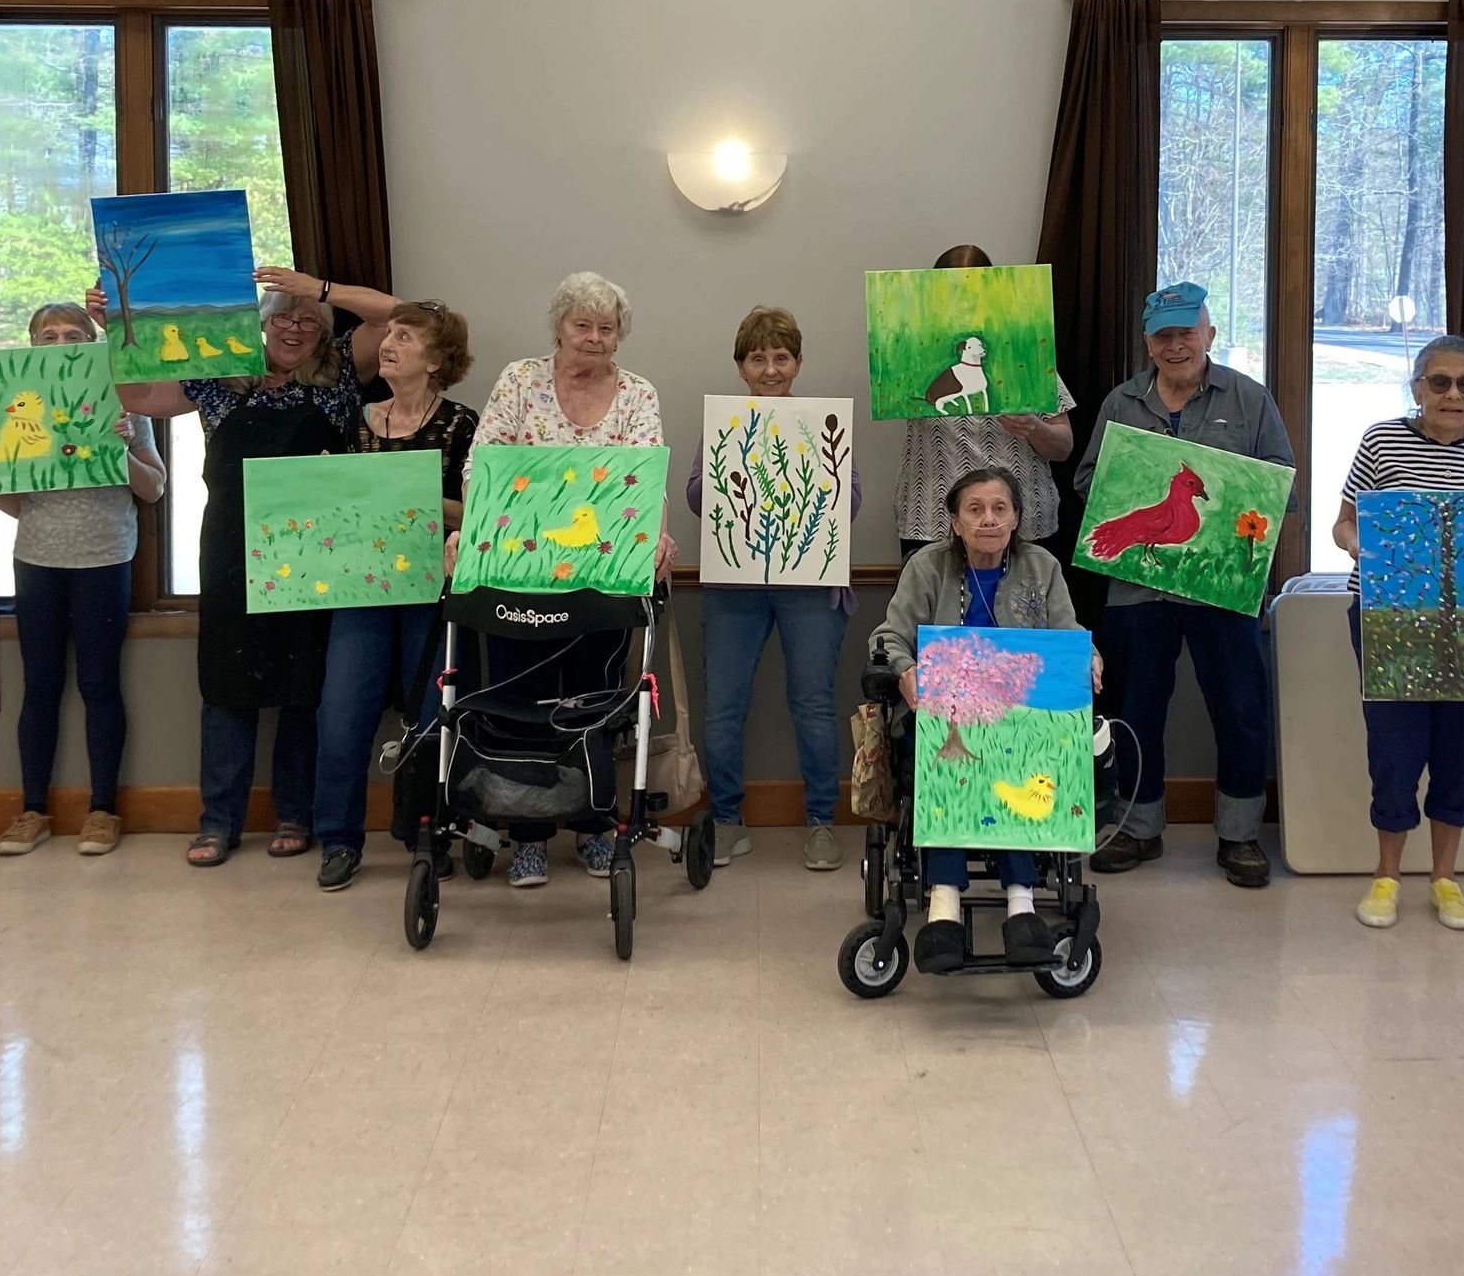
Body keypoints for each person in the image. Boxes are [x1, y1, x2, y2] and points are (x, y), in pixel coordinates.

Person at [104, 265, 402, 868]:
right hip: (230, 549)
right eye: (282, 316)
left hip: (316, 550)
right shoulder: (218, 376)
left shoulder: (343, 371)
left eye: (309, 320)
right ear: (258, 325)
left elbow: (400, 316)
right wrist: (116, 319)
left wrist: (315, 290)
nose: (295, 327)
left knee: (304, 687)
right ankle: (218, 821)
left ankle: (296, 814)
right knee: (226, 686)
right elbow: (136, 396)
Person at [1077, 282, 1297, 889]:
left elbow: (1282, 485)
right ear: (1148, 342)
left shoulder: (1249, 400)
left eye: (1186, 333)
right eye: (1164, 335)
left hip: (1223, 590)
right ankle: (1138, 827)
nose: (1176, 346)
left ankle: (1240, 834)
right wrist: (1127, 481)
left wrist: (1233, 502)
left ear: (1210, 335)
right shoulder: (1121, 403)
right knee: (1134, 708)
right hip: (1136, 590)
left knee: (1240, 707)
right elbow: (1088, 481)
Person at [471, 271, 675, 890]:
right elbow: (483, 466)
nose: (593, 337)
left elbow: (647, 480)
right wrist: (470, 532)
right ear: (558, 327)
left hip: (602, 581)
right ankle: (528, 837)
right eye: (581, 324)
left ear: (619, 336)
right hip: (520, 577)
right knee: (523, 706)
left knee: (593, 703)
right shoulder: (519, 381)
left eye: (605, 328)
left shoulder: (637, 393)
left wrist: (659, 536)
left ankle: (593, 827)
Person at [1329, 335, 1464, 932]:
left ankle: (1445, 879)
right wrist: (1360, 545)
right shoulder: (1380, 441)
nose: (1452, 394)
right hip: (1391, 614)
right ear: (1417, 388)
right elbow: (1343, 523)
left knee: (1458, 750)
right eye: (1439, 382)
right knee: (1394, 748)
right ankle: (1386, 877)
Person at [871, 467, 1099, 972]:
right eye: (974, 510)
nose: (989, 520)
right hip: (944, 718)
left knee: (1015, 762)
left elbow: (1068, 635)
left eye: (1000, 509)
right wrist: (905, 671)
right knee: (950, 762)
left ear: (1016, 518)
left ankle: (1022, 902)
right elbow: (888, 638)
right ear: (955, 522)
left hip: (1019, 724)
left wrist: (1090, 657)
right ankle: (944, 904)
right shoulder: (927, 567)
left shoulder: (1042, 568)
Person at [313, 300, 480, 892]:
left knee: (432, 718)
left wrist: (407, 494)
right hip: (360, 585)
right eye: (391, 334)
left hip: (432, 589)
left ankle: (427, 835)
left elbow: (477, 512)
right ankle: (339, 839)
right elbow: (330, 508)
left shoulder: (463, 425)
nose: (389, 343)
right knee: (341, 713)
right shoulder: (353, 419)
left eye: (406, 337)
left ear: (436, 361)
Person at [0, 302, 166, 858]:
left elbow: (154, 488)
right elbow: (7, 498)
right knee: (39, 687)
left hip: (105, 560)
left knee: (100, 685)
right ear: (32, 345)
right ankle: (31, 810)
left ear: (92, 342)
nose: (61, 342)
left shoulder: (123, 400)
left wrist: (118, 449)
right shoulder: (16, 405)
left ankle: (102, 811)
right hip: (36, 559)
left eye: (73, 334)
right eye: (49, 336)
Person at [688, 306, 858, 873]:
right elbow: (695, 494)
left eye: (781, 357)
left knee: (813, 702)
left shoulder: (822, 422)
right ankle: (727, 819)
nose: (769, 369)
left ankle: (820, 820)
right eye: (757, 358)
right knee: (723, 706)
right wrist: (733, 471)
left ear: (798, 363)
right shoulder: (725, 422)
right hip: (734, 584)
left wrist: (817, 491)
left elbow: (851, 500)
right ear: (740, 367)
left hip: (809, 584)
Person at [891, 244, 1075, 562]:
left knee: (1025, 597)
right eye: (951, 293)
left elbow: (1063, 447)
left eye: (974, 293)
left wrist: (1034, 427)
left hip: (1020, 524)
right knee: (932, 597)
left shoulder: (1027, 354)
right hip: (933, 521)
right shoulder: (912, 356)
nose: (963, 304)